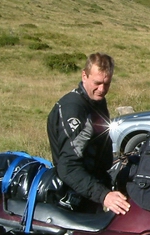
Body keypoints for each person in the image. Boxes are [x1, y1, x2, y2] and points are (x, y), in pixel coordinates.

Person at [47, 53, 130, 215]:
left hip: (93, 188)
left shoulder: (97, 102)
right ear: (84, 76)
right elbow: (67, 166)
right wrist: (103, 195)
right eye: (97, 83)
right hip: (72, 194)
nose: (102, 89)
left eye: (107, 84)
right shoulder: (73, 108)